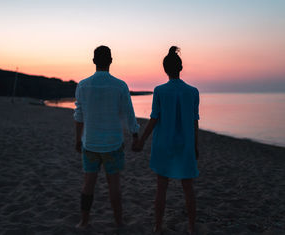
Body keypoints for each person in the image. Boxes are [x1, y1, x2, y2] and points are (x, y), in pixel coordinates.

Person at [135, 46, 200, 234]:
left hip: (163, 145)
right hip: (186, 145)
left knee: (161, 189)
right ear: (180, 68)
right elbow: (194, 121)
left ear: (165, 69)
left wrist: (142, 141)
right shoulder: (193, 92)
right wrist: (195, 145)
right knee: (188, 189)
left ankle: (157, 226)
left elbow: (154, 119)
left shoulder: (160, 91)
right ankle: (191, 228)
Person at [74, 45, 140, 229]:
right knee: (114, 185)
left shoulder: (83, 85)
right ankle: (119, 222)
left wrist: (77, 139)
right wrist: (135, 135)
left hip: (90, 143)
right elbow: (129, 114)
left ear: (94, 61)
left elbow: (79, 116)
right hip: (113, 144)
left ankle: (84, 222)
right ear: (111, 60)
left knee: (88, 184)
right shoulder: (120, 85)